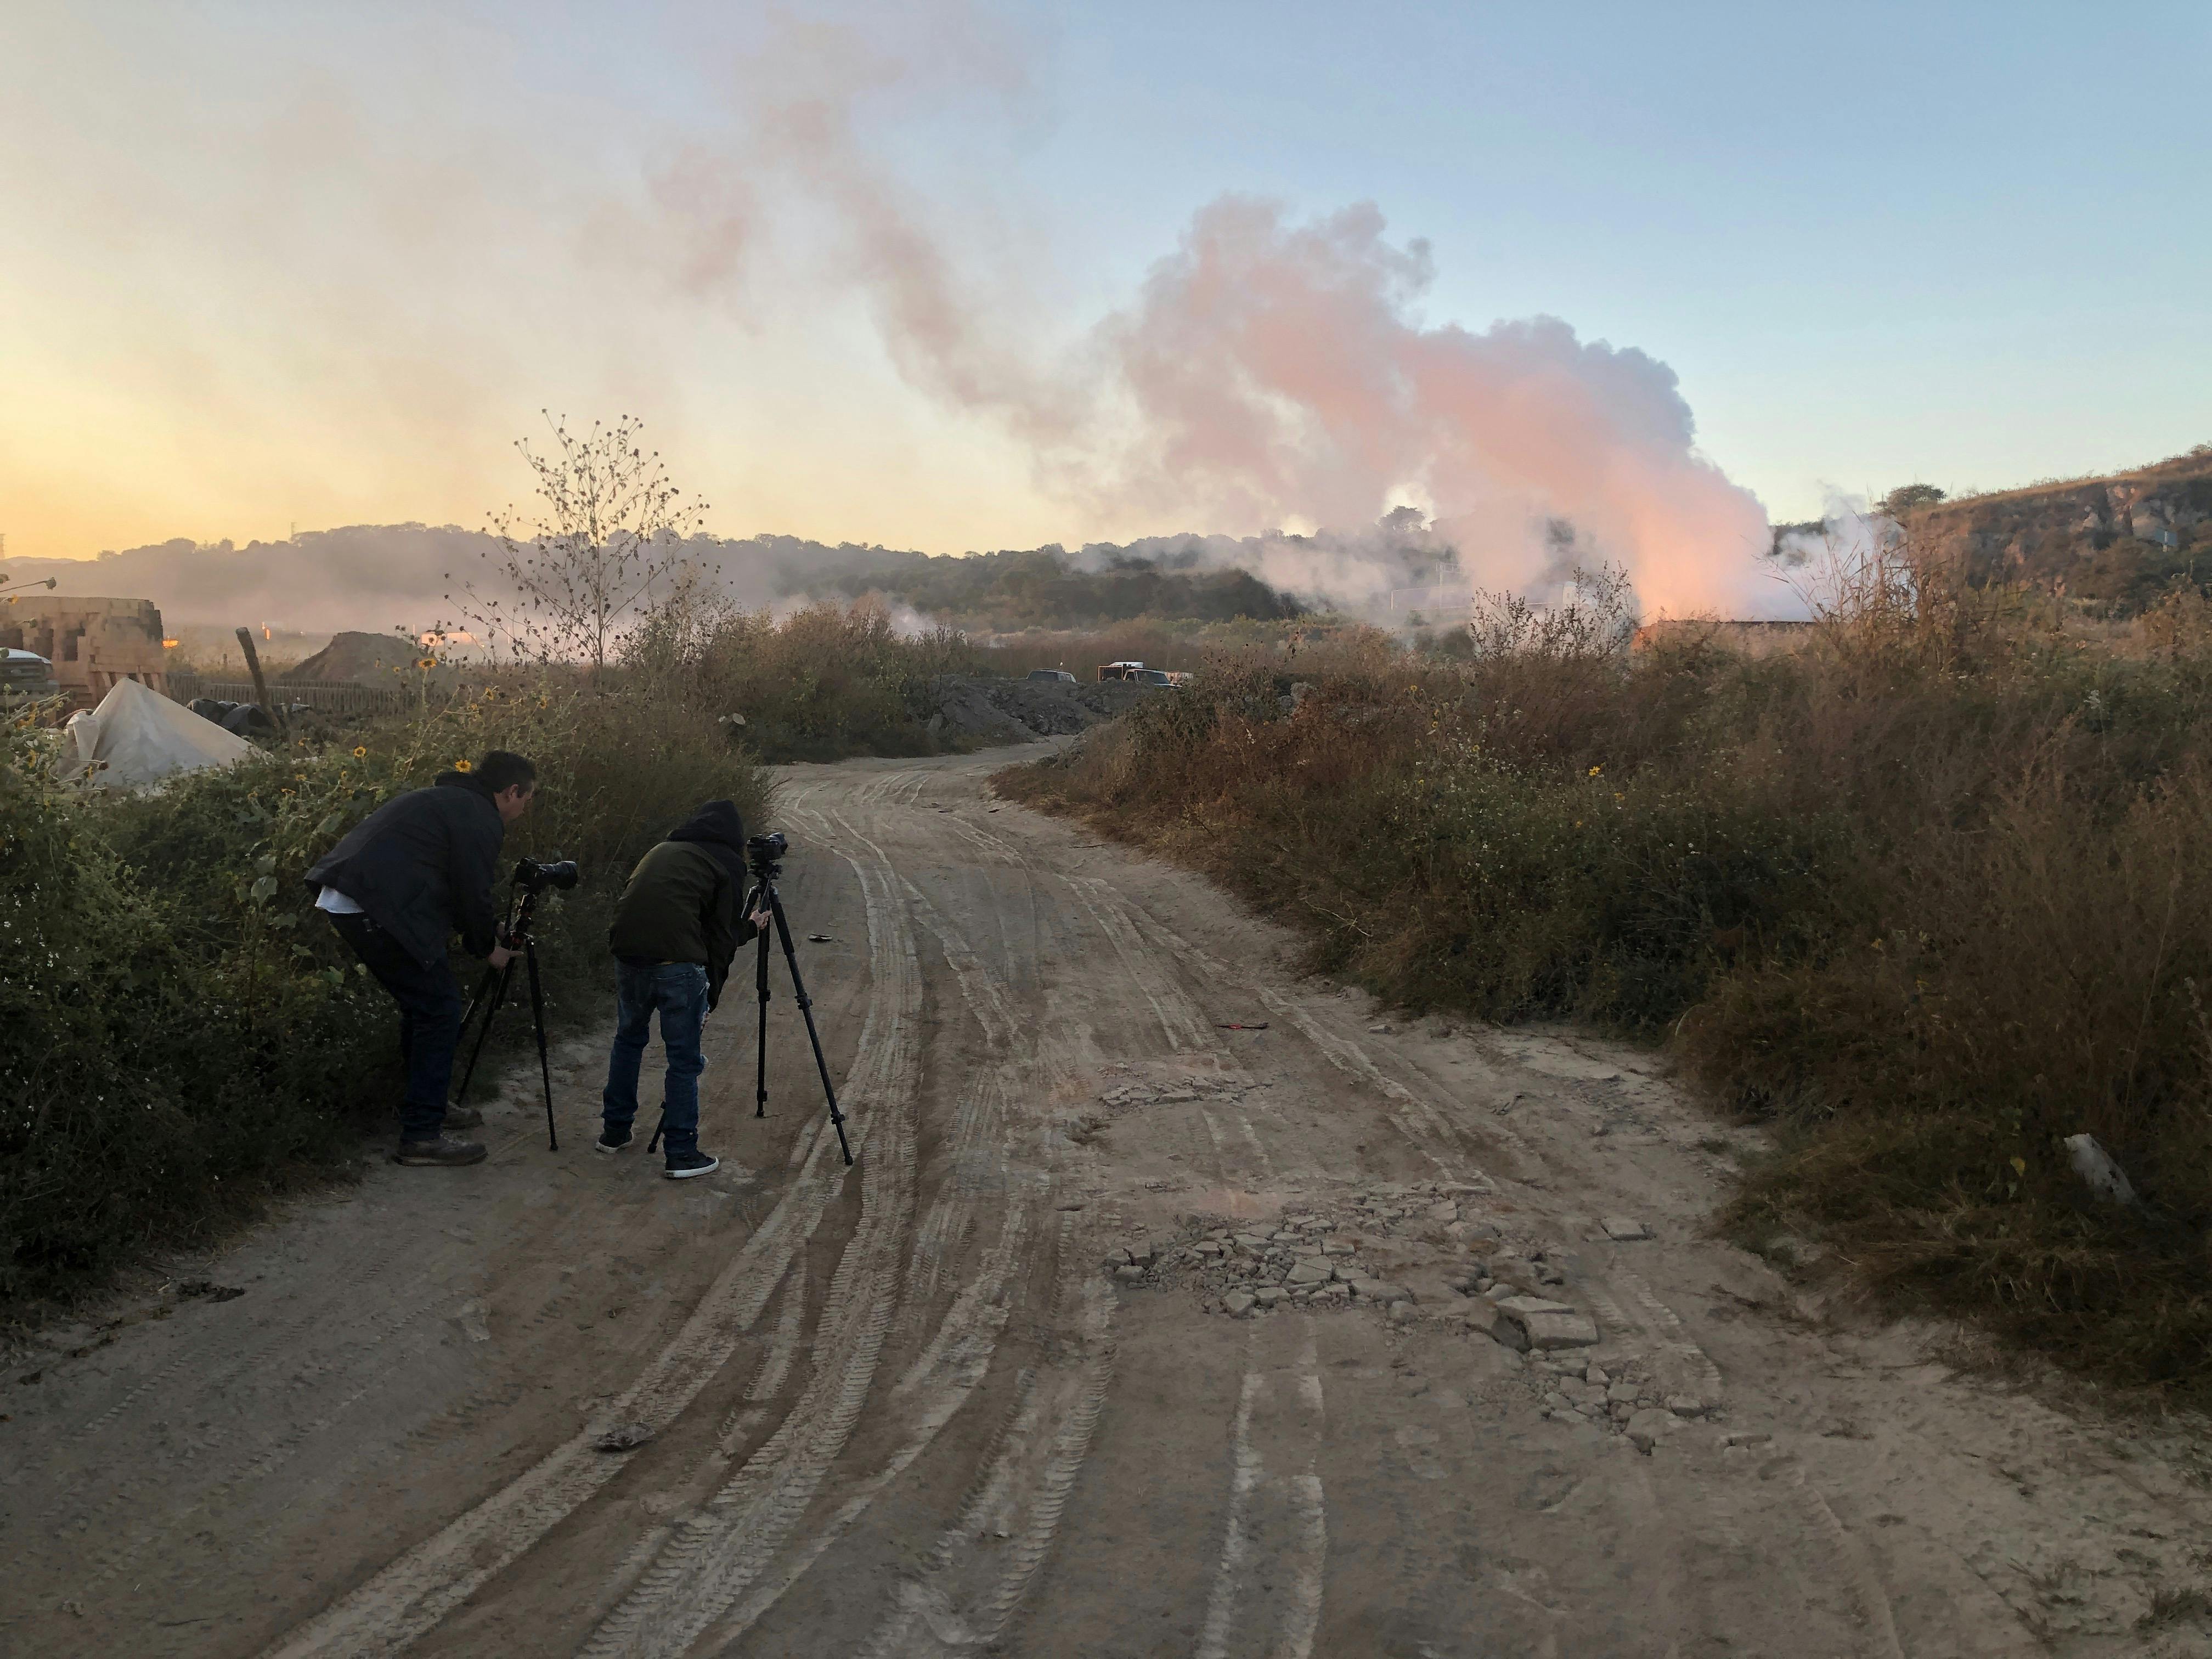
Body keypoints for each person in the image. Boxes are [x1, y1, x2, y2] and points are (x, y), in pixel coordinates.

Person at [305, 750, 537, 1167]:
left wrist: (488, 931)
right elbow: (471, 888)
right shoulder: (479, 816)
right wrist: (488, 949)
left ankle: (425, 1105)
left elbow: (452, 884)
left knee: (425, 1005)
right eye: (527, 799)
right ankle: (422, 1136)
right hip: (370, 905)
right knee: (439, 1008)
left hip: (355, 897)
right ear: (511, 792)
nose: (525, 808)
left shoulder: (450, 800)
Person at [597, 799, 770, 1179]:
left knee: (628, 1039)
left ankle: (613, 1133)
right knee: (683, 1059)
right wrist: (712, 992)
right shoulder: (726, 863)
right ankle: (681, 1152)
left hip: (627, 955)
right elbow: (721, 938)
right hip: (676, 965)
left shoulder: (663, 849)